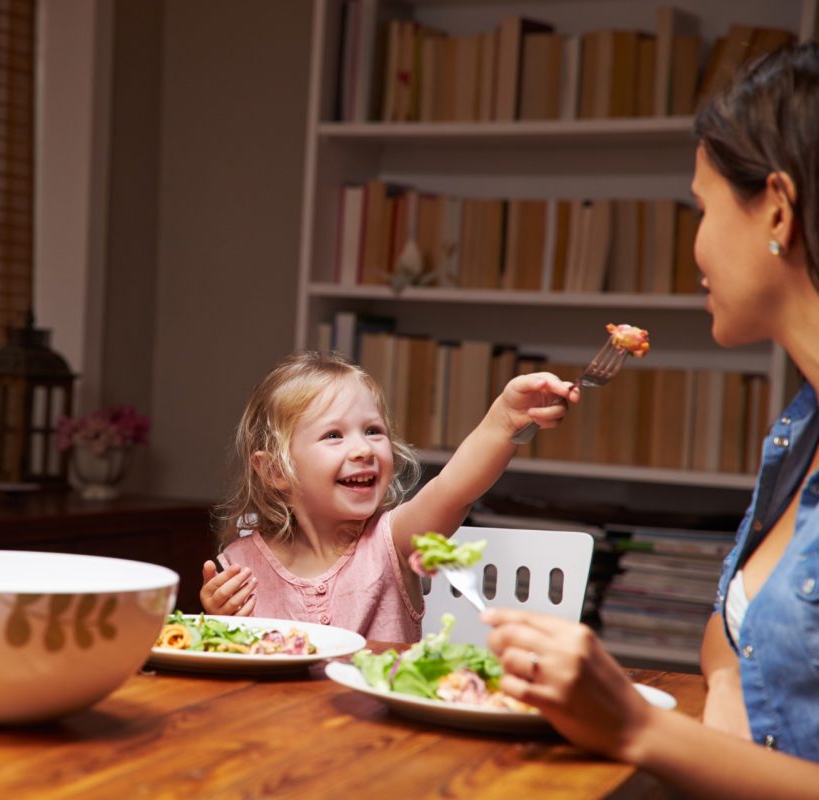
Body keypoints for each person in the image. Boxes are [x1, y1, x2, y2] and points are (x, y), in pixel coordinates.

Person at [485, 41, 819, 797]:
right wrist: (729, 681)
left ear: (777, 207)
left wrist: (635, 726)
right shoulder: (799, 434)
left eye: (700, 209)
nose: (694, 247)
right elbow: (730, 637)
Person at [198, 350, 576, 640]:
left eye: (373, 431)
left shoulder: (393, 541)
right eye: (334, 435)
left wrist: (504, 419)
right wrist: (219, 622)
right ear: (277, 471)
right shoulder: (240, 564)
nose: (363, 449)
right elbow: (230, 662)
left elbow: (454, 489)